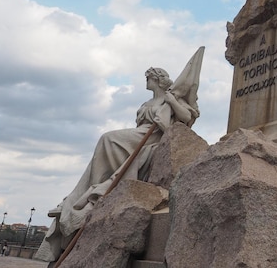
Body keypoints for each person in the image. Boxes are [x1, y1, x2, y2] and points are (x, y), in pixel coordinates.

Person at [35, 48, 204, 263]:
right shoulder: (146, 104)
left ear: (157, 80)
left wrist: (171, 101)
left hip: (151, 139)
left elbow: (187, 117)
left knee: (108, 138)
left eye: (149, 77)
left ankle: (90, 190)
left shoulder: (171, 99)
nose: (146, 80)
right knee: (108, 139)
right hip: (139, 135)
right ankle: (84, 192)